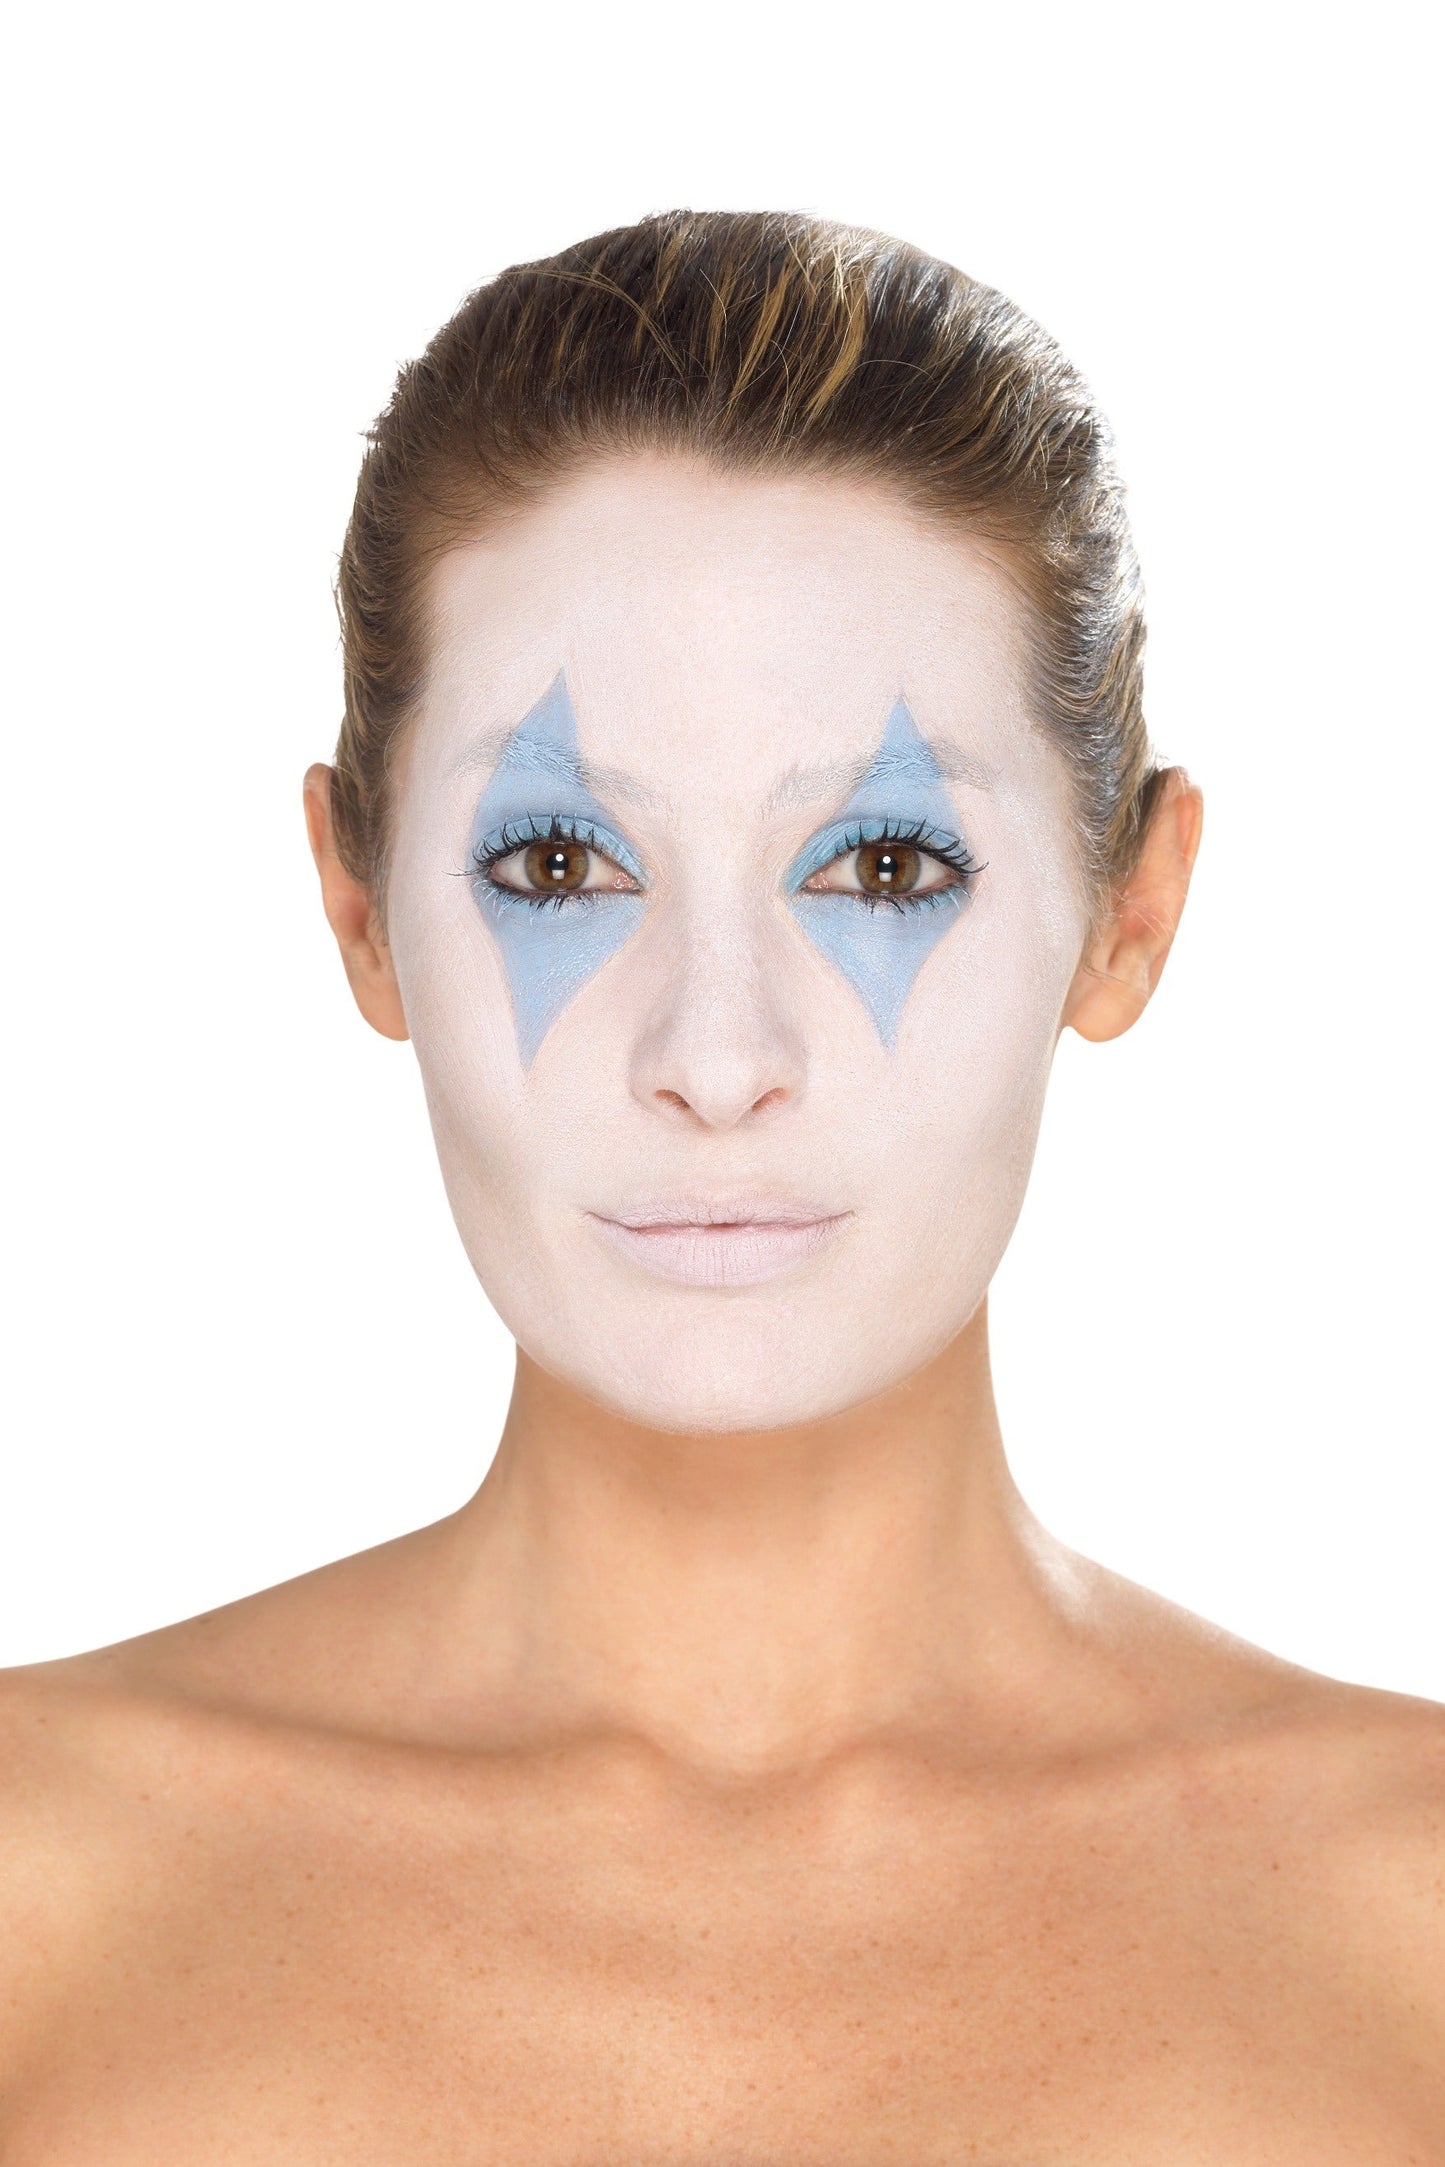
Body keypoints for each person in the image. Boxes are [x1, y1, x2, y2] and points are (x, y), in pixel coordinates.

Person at [1, 209, 1441, 2163]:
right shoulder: (36, 1892)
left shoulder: (1413, 1934)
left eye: (884, 868)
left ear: (1133, 913)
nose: (713, 1057)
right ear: (356, 907)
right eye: (558, 868)